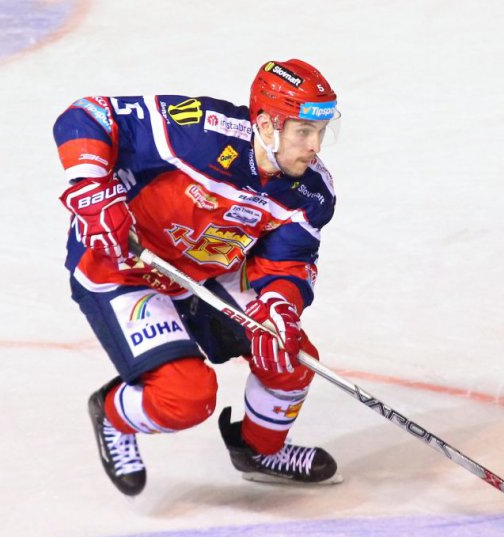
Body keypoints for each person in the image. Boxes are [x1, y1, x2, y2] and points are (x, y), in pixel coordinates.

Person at [52, 59, 341, 496]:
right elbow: (89, 114)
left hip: (205, 270)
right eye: (304, 131)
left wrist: (280, 304)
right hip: (124, 267)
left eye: (320, 131)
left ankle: (259, 451)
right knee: (185, 399)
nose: (315, 146)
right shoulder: (199, 132)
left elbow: (288, 261)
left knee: (288, 355)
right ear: (266, 124)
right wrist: (91, 188)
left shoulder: (311, 192)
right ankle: (113, 413)